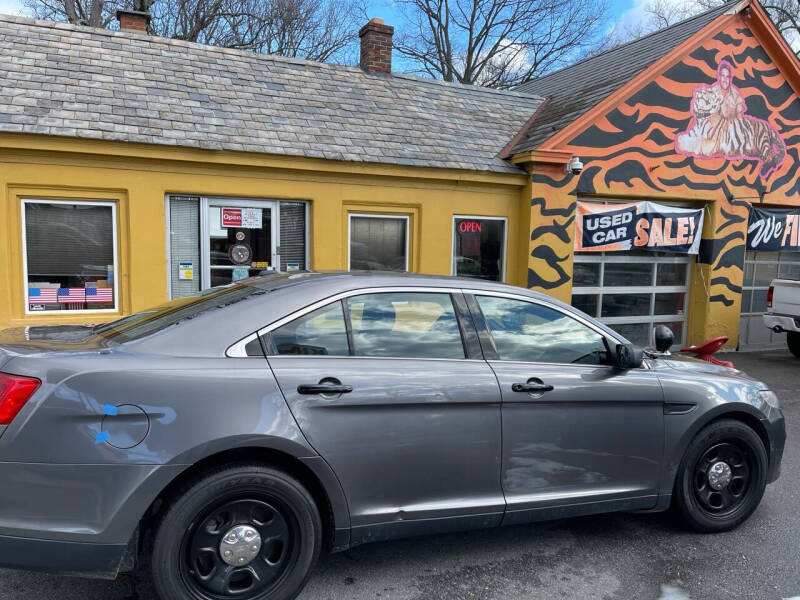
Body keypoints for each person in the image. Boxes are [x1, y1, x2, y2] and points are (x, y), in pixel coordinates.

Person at [676, 60, 785, 177]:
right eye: (722, 76)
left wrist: (738, 132)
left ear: (730, 78)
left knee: (752, 137)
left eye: (727, 76)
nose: (725, 79)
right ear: (718, 76)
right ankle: (768, 156)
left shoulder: (735, 94)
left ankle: (769, 158)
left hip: (731, 129)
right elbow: (708, 116)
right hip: (715, 126)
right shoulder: (712, 92)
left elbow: (739, 118)